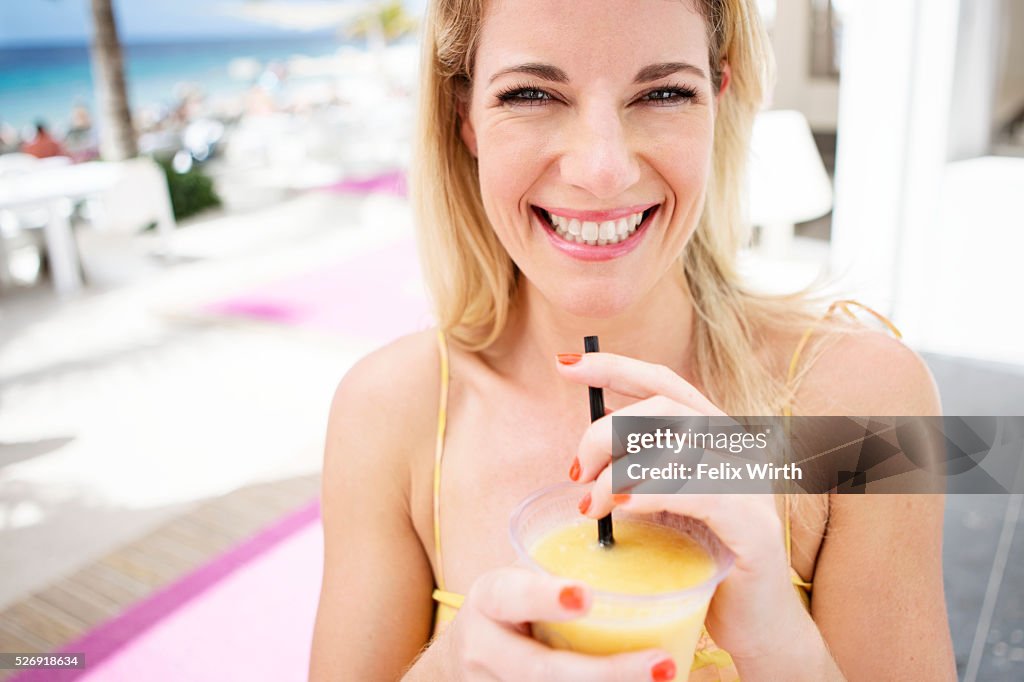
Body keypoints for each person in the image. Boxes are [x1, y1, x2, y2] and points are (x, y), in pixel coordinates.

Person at [309, 0, 957, 680]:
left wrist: (776, 643)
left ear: (717, 101)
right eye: (531, 94)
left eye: (664, 93)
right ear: (464, 116)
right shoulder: (383, 414)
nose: (603, 169)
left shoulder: (875, 406)